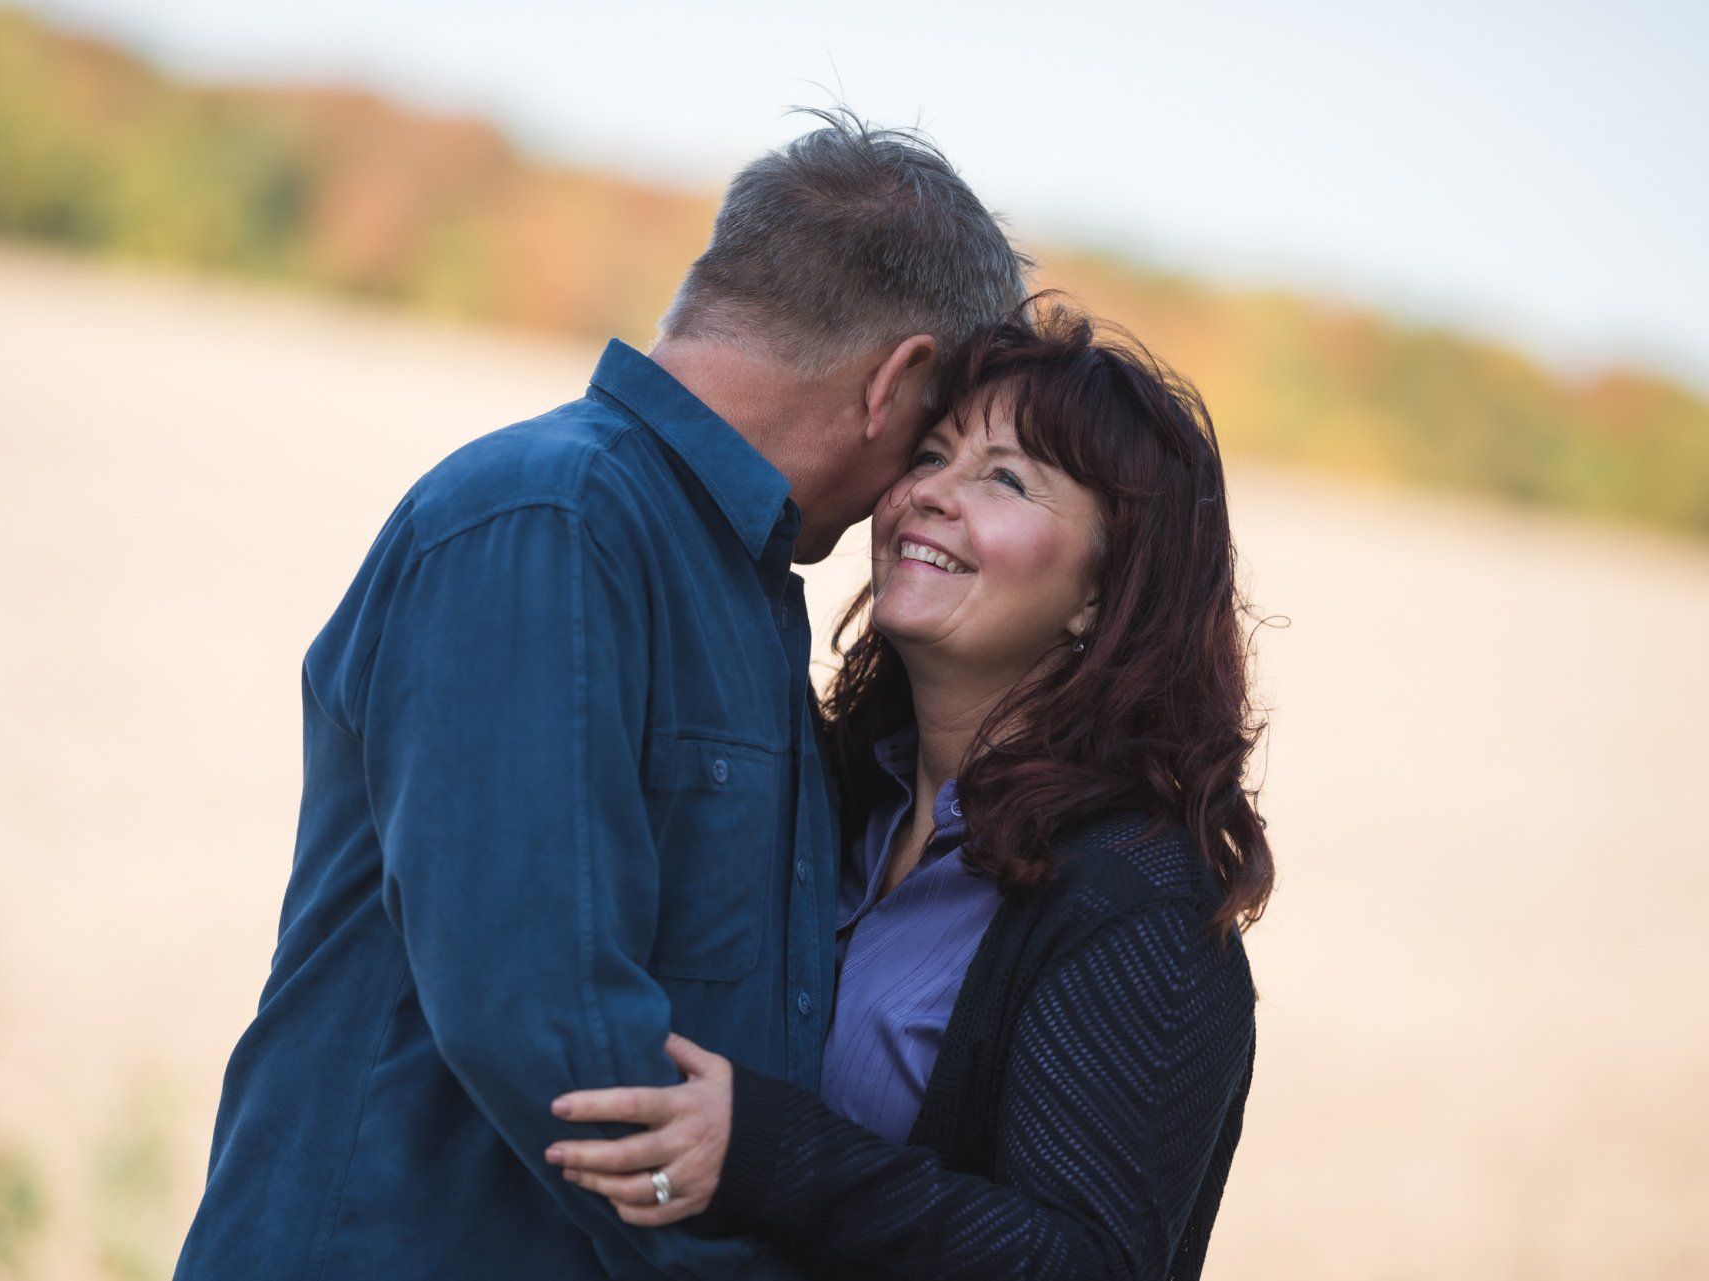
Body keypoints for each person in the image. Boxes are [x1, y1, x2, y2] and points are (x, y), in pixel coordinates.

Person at [172, 109, 1029, 1281]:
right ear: (898, 381)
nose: (914, 499)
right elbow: (550, 1027)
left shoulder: (732, 578)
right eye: (932, 448)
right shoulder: (552, 521)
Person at [545, 303, 1276, 1280]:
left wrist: (770, 1154)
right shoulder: (833, 797)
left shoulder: (1136, 906)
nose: (931, 494)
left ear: (1107, 591)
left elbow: (1085, 1262)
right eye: (928, 456)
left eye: (1005, 478)